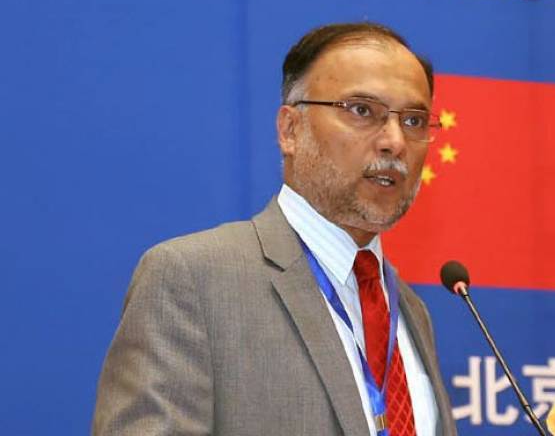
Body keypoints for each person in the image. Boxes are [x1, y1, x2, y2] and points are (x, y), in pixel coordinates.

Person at [93, 22, 458, 436]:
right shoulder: (192, 279)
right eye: (362, 111)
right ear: (290, 130)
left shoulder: (410, 309)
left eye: (413, 120)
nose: (394, 140)